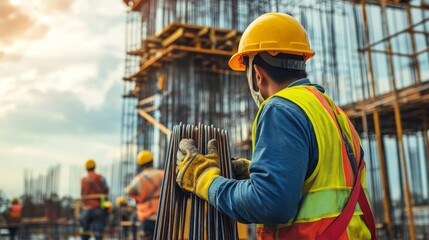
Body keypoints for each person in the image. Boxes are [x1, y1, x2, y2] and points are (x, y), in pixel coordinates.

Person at [175, 12, 377, 239]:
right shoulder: (332, 112)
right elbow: (314, 180)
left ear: (258, 74)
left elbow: (270, 204)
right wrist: (258, 172)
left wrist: (205, 180)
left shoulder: (280, 109)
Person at [125, 150, 164, 240]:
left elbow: (129, 191)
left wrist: (139, 198)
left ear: (140, 165)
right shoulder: (163, 174)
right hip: (164, 214)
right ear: (152, 162)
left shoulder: (140, 179)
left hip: (148, 215)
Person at [80, 159, 109, 240]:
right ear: (94, 167)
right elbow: (105, 191)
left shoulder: (83, 180)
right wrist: (104, 205)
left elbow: (82, 194)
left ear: (86, 168)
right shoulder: (100, 177)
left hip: (86, 210)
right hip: (98, 208)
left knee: (85, 233)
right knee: (98, 234)